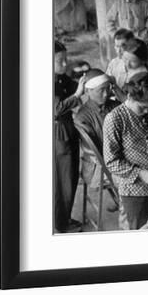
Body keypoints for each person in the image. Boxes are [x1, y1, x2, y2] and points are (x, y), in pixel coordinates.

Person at [102, 72, 148, 230]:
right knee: (140, 231)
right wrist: (140, 173)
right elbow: (111, 162)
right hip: (133, 190)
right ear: (130, 96)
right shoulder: (115, 119)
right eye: (142, 107)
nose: (146, 112)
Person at [54, 41, 86, 233]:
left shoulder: (59, 77)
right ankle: (61, 223)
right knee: (63, 182)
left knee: (69, 179)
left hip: (66, 131)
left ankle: (61, 219)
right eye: (60, 61)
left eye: (66, 59)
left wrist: (87, 80)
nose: (65, 64)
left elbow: (71, 83)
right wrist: (77, 95)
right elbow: (56, 109)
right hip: (60, 134)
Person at [73, 69, 119, 190]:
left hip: (114, 161)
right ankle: (127, 205)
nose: (106, 94)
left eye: (108, 88)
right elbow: (97, 153)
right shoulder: (83, 117)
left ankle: (126, 203)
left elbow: (133, 110)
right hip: (98, 171)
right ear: (88, 91)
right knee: (140, 175)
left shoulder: (113, 105)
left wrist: (116, 88)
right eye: (101, 90)